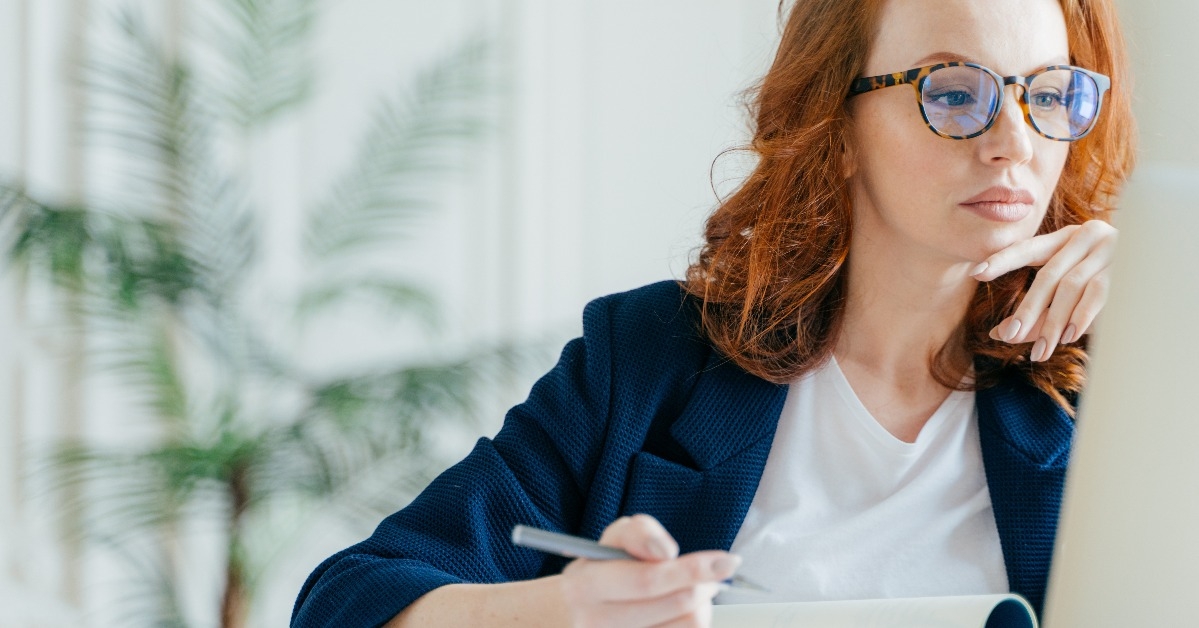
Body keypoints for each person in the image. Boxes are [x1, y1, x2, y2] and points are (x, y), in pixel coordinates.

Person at [291, 0, 1135, 625]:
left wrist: (1165, 319)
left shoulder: (1125, 379)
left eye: (1049, 95)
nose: (1016, 143)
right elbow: (349, 600)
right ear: (835, 129)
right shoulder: (650, 358)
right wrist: (562, 611)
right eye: (954, 93)